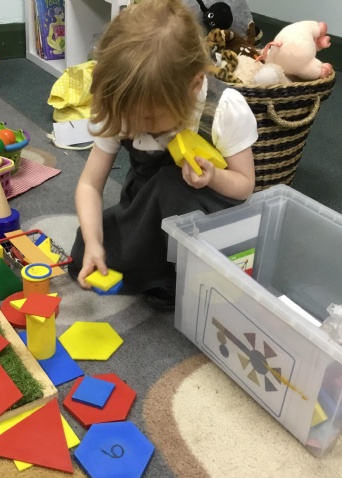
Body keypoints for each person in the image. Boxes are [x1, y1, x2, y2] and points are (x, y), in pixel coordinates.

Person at [68, 0, 258, 310]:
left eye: (148, 118)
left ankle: (178, 274)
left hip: (203, 216)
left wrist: (213, 176)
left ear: (194, 85)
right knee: (83, 252)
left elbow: (245, 186)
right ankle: (159, 271)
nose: (133, 126)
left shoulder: (224, 110)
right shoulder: (122, 107)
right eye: (127, 117)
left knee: (171, 184)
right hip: (146, 216)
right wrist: (93, 242)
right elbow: (89, 184)